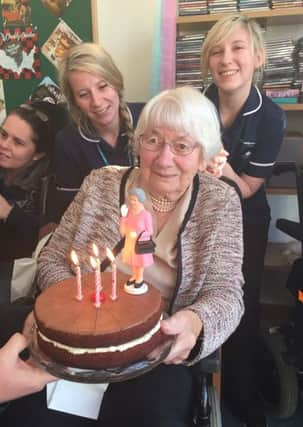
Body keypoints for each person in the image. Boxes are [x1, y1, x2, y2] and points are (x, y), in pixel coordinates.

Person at [32, 86, 244, 427]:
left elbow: (227, 292)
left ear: (204, 154)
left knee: (151, 416)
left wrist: (194, 322)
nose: (163, 159)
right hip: (79, 344)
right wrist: (72, 314)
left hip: (155, 353)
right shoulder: (100, 183)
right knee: (37, 416)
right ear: (138, 143)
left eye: (182, 146)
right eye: (153, 140)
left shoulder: (219, 203)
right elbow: (53, 259)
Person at [201, 13, 285, 427]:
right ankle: (198, 385)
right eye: (217, 51)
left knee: (241, 304)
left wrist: (225, 171)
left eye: (236, 49)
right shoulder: (195, 104)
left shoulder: (271, 117)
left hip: (246, 214)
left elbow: (248, 188)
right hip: (198, 213)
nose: (226, 59)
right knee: (197, 295)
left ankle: (239, 386)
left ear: (258, 57)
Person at [51, 42, 144, 222]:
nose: (97, 102)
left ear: (116, 82)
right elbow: (69, 212)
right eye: (84, 94)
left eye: (102, 86)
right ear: (74, 101)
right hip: (99, 232)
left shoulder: (149, 117)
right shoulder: (67, 142)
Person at [0, 103, 52, 260]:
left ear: (37, 154)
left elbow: (45, 240)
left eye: (18, 143)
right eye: (3, 134)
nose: (4, 145)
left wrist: (8, 212)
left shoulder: (47, 187)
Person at [120, 187, 154, 293]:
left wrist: (139, 234)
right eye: (131, 199)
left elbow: (150, 231)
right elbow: (123, 229)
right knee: (133, 262)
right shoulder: (129, 211)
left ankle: (140, 278)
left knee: (140, 262)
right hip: (130, 242)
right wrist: (124, 217)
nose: (132, 202)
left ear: (141, 200)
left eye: (135, 200)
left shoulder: (146, 215)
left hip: (139, 243)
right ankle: (134, 276)